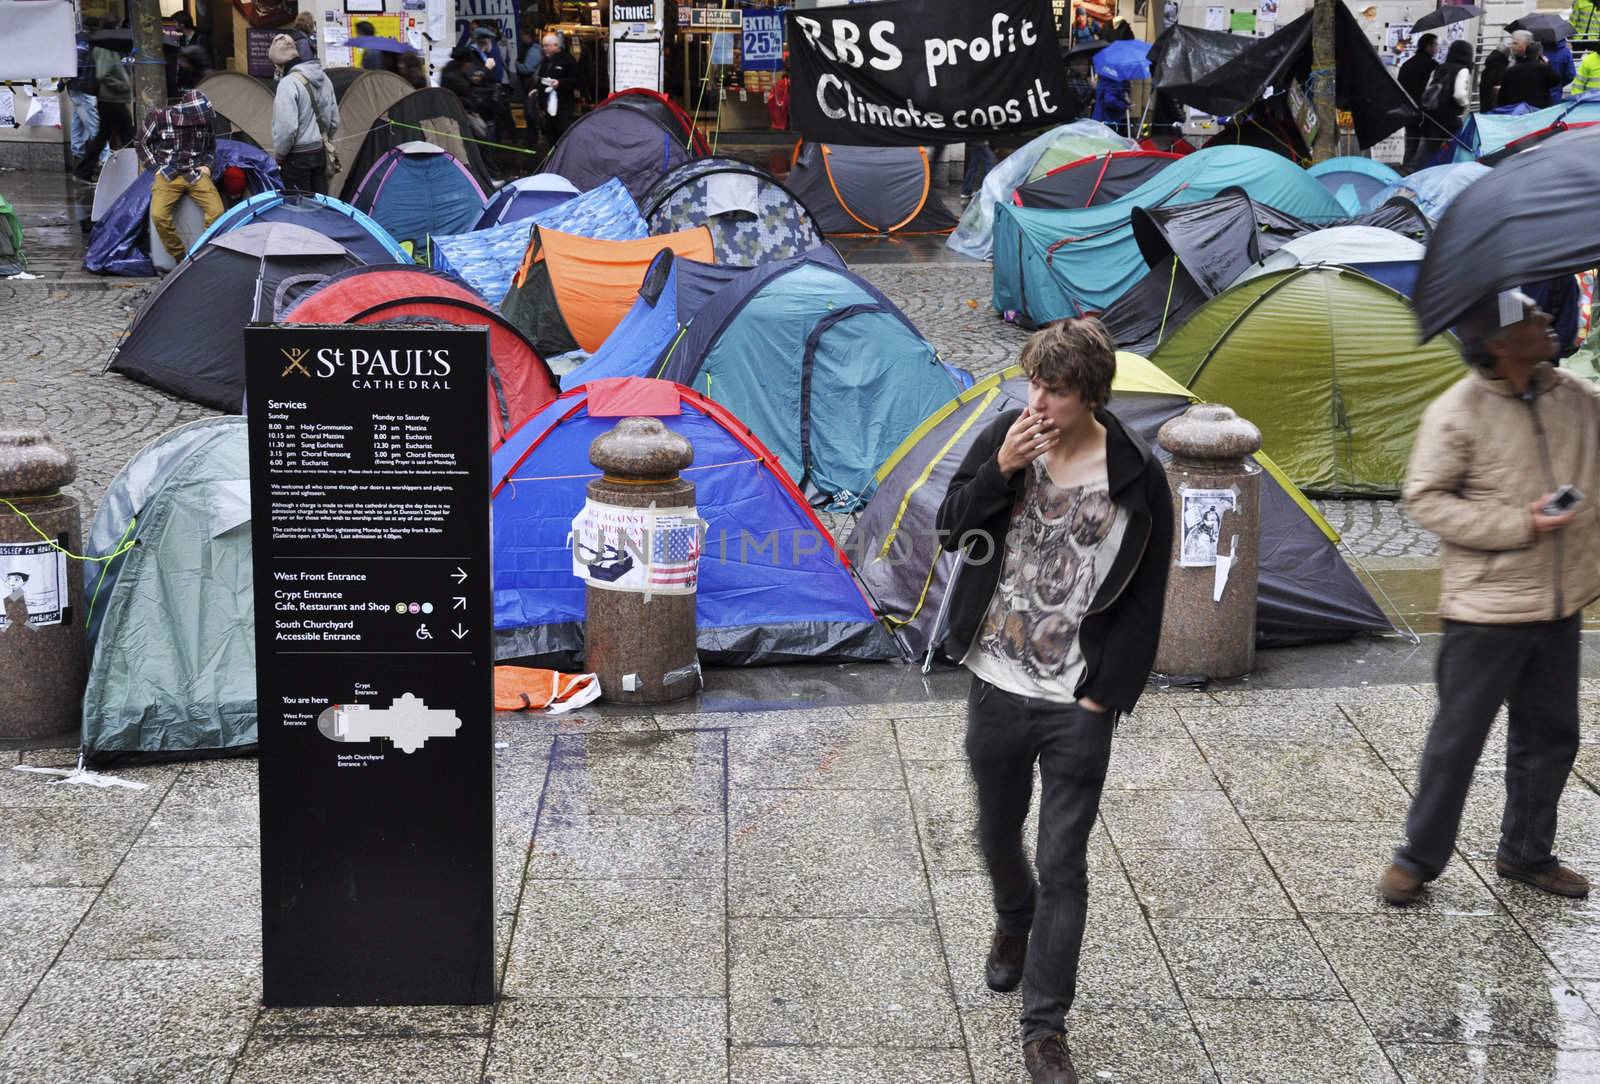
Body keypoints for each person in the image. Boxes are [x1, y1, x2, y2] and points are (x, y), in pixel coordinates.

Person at [937, 318, 1173, 1084]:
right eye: (1033, 382)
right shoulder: (1010, 437)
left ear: (1093, 395)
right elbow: (951, 529)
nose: (1037, 400)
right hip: (997, 681)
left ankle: (1045, 1030)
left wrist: (1105, 698)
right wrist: (998, 471)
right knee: (997, 836)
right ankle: (1013, 919)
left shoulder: (1136, 475)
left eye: (1056, 390)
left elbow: (1144, 599)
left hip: (1077, 699)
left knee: (1063, 865)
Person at [1379, 289, 1600, 908]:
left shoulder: (1577, 399)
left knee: (1551, 737)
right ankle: (1416, 859)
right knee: (1457, 743)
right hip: (1486, 611)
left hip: (1559, 606)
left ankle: (1528, 853)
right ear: (1501, 344)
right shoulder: (1459, 410)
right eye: (1532, 319)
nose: (1548, 321)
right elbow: (1426, 499)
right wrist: (1519, 522)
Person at [137, 88, 226, 264]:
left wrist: (207, 166)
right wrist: (154, 167)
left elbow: (210, 148)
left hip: (196, 172)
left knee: (218, 212)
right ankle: (181, 258)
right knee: (159, 215)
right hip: (168, 173)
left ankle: (201, 254)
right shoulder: (160, 117)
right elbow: (141, 142)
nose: (200, 122)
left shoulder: (205, 121)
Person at [269, 33, 339, 195]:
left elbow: (287, 129)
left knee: (298, 211)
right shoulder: (324, 78)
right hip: (321, 154)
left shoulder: (288, 84)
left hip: (296, 159)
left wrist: (280, 154)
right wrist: (324, 138)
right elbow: (334, 120)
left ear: (279, 64)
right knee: (319, 208)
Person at [73, 35, 133, 182]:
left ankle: (83, 171)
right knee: (128, 134)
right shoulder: (106, 50)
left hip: (111, 99)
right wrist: (123, 86)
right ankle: (133, 168)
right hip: (111, 99)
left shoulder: (109, 50)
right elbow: (103, 74)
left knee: (103, 135)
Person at [1409, 38, 1474, 172]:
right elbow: (1459, 94)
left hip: (1432, 116)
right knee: (1455, 149)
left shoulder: (1439, 67)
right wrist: (1465, 105)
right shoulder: (1462, 70)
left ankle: (1418, 174)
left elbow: (1428, 89)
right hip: (1450, 117)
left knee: (1427, 151)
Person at [530, 31, 578, 150]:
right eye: (543, 45)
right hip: (547, 106)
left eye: (546, 45)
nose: (544, 48)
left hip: (563, 105)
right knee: (550, 135)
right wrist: (536, 89)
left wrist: (560, 83)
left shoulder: (567, 59)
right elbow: (541, 78)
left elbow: (576, 80)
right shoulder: (546, 61)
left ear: (555, 45)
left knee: (562, 134)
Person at [1397, 34, 1438, 165]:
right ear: (1429, 46)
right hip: (1427, 114)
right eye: (1436, 45)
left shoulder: (1406, 65)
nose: (1437, 48)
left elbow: (1400, 88)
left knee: (1410, 143)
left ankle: (1404, 173)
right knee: (1424, 149)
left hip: (1408, 111)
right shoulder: (1433, 66)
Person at [441, 45, 496, 138]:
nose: (469, 65)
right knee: (481, 133)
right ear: (464, 62)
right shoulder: (454, 77)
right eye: (469, 62)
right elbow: (467, 89)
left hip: (457, 112)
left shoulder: (451, 71)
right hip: (461, 114)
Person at [68, 18, 100, 164]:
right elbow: (79, 63)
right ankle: (104, 159)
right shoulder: (87, 41)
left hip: (76, 87)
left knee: (78, 120)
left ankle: (77, 153)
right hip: (85, 87)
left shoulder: (79, 39)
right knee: (93, 123)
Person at [1497, 41, 1562, 111]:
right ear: (1539, 55)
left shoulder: (1512, 70)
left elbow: (1502, 94)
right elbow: (1557, 80)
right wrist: (1548, 63)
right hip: (1538, 109)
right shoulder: (1544, 69)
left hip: (1516, 109)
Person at [1479, 30, 1531, 112]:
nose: (1512, 47)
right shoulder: (1503, 67)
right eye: (1513, 43)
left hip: (1489, 107)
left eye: (1515, 43)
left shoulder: (1489, 65)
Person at [1545, 37, 1577, 101]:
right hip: (1556, 92)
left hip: (1539, 92)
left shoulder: (1539, 52)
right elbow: (1570, 75)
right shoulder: (1566, 52)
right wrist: (1560, 85)